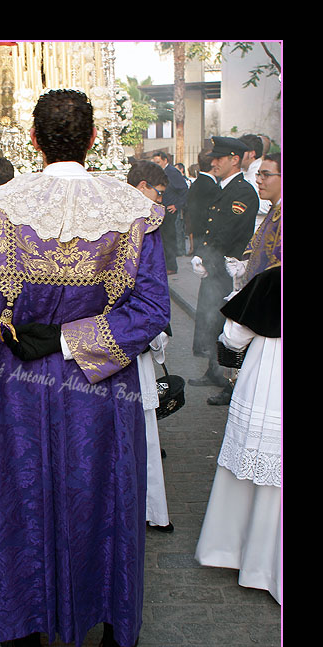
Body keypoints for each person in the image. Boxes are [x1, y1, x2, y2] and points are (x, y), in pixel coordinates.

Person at [0, 89, 170, 647]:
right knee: (106, 494)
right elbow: (152, 308)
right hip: (102, 385)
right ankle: (115, 637)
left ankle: (24, 636)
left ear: (33, 140)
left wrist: (37, 337)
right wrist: (77, 339)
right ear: (92, 139)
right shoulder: (131, 208)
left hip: (21, 382)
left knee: (21, 497)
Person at [195, 152, 281, 603]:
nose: (260, 180)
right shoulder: (273, 218)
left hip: (272, 351)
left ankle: (256, 558)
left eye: (268, 174)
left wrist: (235, 330)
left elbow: (267, 285)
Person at [188, 136, 259, 406]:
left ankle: (231, 382)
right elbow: (211, 227)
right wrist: (201, 256)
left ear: (235, 160)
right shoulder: (224, 188)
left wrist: (207, 259)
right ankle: (214, 371)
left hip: (229, 270)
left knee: (228, 325)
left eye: (219, 158)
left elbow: (229, 231)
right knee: (211, 320)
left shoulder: (241, 191)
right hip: (215, 268)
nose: (213, 162)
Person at [126, 160, 173, 532]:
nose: (161, 202)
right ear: (143, 186)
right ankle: (139, 507)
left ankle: (145, 507)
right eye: (158, 193)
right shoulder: (135, 221)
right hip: (129, 342)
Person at [152, 151, 188, 274]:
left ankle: (171, 266)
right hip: (161, 209)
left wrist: (177, 205)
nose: (156, 165)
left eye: (158, 162)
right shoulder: (160, 173)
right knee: (162, 239)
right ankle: (165, 264)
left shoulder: (172, 172)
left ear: (165, 160)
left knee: (169, 239)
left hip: (169, 210)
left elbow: (184, 189)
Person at [185, 149, 220, 257]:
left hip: (199, 239)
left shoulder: (197, 184)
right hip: (208, 244)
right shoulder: (211, 187)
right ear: (214, 163)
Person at [240, 134, 272, 230]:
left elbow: (269, 205)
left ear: (251, 154)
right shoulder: (243, 171)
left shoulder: (261, 171)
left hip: (258, 229)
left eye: (241, 151)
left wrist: (244, 203)